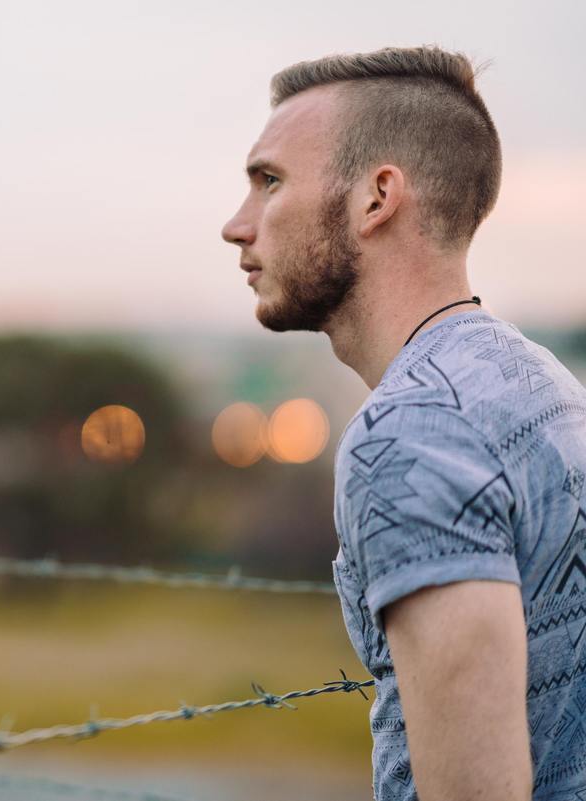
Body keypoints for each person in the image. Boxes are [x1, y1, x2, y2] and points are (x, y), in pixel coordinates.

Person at [220, 45, 586, 800]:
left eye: (269, 182)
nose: (236, 225)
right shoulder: (540, 380)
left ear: (376, 197)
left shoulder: (410, 433)